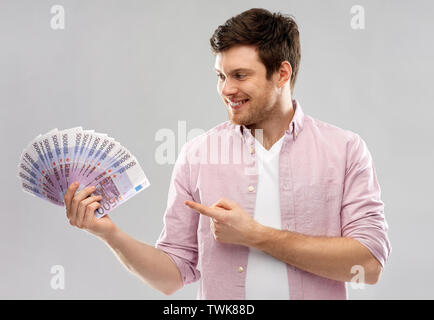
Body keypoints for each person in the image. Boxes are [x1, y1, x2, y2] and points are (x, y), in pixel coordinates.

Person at [64, 8, 391, 300]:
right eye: (221, 76)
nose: (226, 89)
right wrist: (108, 233)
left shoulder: (345, 150)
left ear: (282, 73)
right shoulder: (198, 154)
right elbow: (171, 276)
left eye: (240, 75)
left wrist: (256, 236)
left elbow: (368, 264)